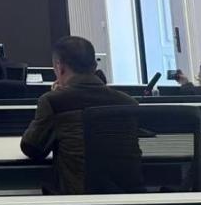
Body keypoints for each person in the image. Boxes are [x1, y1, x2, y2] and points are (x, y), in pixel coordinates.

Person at [20, 36, 138, 194]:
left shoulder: (54, 101)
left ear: (59, 67)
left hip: (79, 201)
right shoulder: (128, 102)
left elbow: (32, 148)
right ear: (95, 66)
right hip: (129, 200)